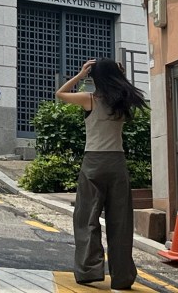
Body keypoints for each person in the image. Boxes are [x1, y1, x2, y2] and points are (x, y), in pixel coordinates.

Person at [55, 58, 148, 291]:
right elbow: (123, 87)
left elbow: (60, 93)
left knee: (86, 217)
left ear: (95, 77)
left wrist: (80, 75)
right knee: (120, 221)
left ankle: (89, 270)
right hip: (117, 163)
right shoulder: (123, 101)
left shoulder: (90, 100)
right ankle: (122, 277)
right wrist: (120, 74)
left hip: (94, 163)